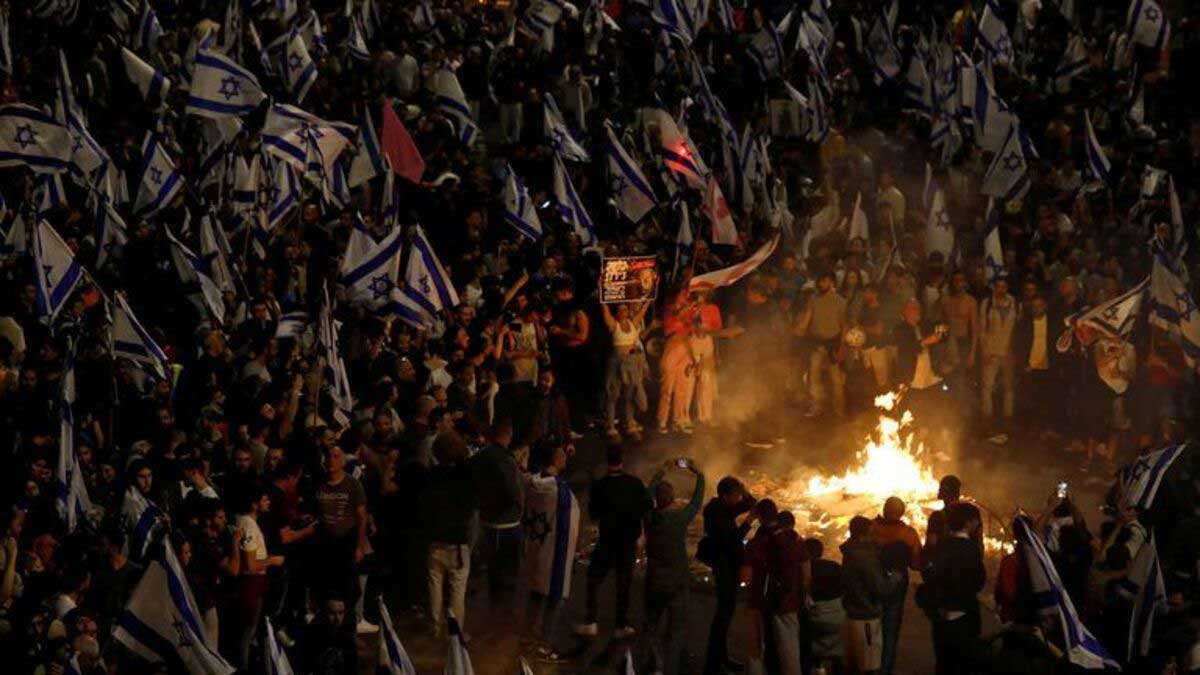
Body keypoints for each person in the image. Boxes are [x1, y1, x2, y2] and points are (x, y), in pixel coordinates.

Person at [577, 444, 651, 639]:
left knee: (594, 578)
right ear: (622, 460)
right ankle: (621, 625)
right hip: (627, 541)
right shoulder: (635, 483)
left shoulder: (600, 486)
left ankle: (591, 621)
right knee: (624, 583)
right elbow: (647, 507)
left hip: (607, 540)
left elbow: (594, 514)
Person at [641, 459, 705, 675]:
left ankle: (655, 664)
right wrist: (700, 475)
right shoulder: (678, 518)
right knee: (676, 630)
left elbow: (647, 494)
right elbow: (696, 502)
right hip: (677, 581)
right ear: (672, 499)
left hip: (654, 580)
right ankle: (670, 668)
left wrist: (662, 469)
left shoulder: (649, 517)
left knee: (651, 626)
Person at [522, 444, 579, 661]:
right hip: (554, 553)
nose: (566, 458)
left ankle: (527, 637)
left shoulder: (532, 482)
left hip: (536, 547)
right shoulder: (561, 492)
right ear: (555, 460)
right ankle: (544, 644)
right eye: (562, 456)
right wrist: (570, 558)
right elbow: (568, 528)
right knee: (554, 599)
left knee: (535, 594)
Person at [422, 431, 478, 638]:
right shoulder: (465, 476)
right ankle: (455, 632)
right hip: (457, 543)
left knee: (434, 587)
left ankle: (434, 628)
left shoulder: (431, 475)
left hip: (434, 540)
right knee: (457, 590)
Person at [314, 445, 375, 634]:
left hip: (346, 543)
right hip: (325, 545)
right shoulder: (319, 484)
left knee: (349, 588)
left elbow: (361, 517)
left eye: (335, 456)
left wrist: (359, 546)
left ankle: (348, 627)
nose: (331, 460)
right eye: (328, 456)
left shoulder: (352, 485)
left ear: (342, 461)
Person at [701, 476, 757, 675]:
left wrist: (744, 488)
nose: (738, 499)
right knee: (722, 616)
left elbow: (752, 503)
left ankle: (721, 657)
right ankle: (714, 663)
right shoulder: (716, 512)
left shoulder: (724, 507)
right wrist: (749, 521)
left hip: (729, 565)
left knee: (726, 614)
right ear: (725, 495)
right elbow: (733, 540)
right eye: (735, 495)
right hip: (724, 567)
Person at [227, 482, 285, 668]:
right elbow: (250, 564)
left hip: (257, 582)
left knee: (251, 628)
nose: (268, 502)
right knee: (248, 630)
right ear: (254, 503)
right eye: (264, 499)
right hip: (252, 583)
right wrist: (272, 561)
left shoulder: (248, 522)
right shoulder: (248, 524)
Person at [471, 420, 524, 624]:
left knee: (493, 572)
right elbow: (512, 491)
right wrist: (518, 505)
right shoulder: (505, 460)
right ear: (508, 434)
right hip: (506, 525)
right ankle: (503, 615)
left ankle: (495, 610)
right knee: (508, 572)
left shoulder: (480, 457)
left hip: (488, 522)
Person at [927, 504, 987, 675]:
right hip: (964, 616)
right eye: (976, 521)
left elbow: (933, 576)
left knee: (943, 663)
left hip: (941, 617)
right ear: (968, 522)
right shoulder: (969, 549)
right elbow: (978, 580)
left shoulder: (942, 545)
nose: (978, 525)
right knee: (963, 664)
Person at [870, 498, 923, 675]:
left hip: (873, 581)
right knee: (890, 629)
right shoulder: (908, 534)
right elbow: (916, 564)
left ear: (884, 509)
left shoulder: (870, 529)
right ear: (901, 513)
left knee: (870, 626)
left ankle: (869, 666)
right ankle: (885, 669)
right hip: (897, 584)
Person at [840, 515, 898, 675]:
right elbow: (881, 588)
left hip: (852, 614)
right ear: (863, 534)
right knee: (869, 666)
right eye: (871, 532)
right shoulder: (865, 558)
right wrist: (895, 577)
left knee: (853, 665)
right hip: (866, 617)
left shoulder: (849, 551)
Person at [799, 271, 848, 417]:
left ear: (832, 282)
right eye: (820, 281)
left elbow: (844, 326)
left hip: (833, 343)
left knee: (836, 380)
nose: (822, 284)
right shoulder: (813, 300)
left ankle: (839, 409)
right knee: (813, 377)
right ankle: (816, 406)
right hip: (816, 343)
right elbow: (806, 320)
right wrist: (800, 328)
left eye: (825, 281)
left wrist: (842, 346)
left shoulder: (840, 301)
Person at [600, 301, 650, 438]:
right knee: (613, 394)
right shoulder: (613, 325)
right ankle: (611, 426)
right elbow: (604, 308)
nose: (623, 312)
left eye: (625, 310)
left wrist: (649, 298)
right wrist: (602, 292)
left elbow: (643, 311)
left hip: (631, 362)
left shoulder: (633, 324)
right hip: (616, 362)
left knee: (630, 394)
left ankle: (630, 423)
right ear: (616, 313)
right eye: (620, 310)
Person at [979, 276, 1018, 443]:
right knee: (987, 387)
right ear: (994, 288)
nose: (1001, 289)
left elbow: (1017, 326)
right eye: (998, 286)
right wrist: (985, 351)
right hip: (992, 352)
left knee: (1009, 388)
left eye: (1004, 286)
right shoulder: (987, 304)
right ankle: (987, 419)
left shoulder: (1014, 303)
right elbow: (981, 328)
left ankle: (1007, 420)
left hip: (1008, 352)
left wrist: (1015, 349)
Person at [657, 288, 699, 434]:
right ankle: (662, 420)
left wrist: (693, 357)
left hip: (685, 349)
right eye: (684, 294)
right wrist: (687, 308)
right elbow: (672, 323)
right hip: (672, 348)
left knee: (683, 387)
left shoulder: (690, 311)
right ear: (676, 295)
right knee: (668, 386)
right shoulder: (669, 310)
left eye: (688, 295)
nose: (687, 297)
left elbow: (692, 329)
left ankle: (678, 419)